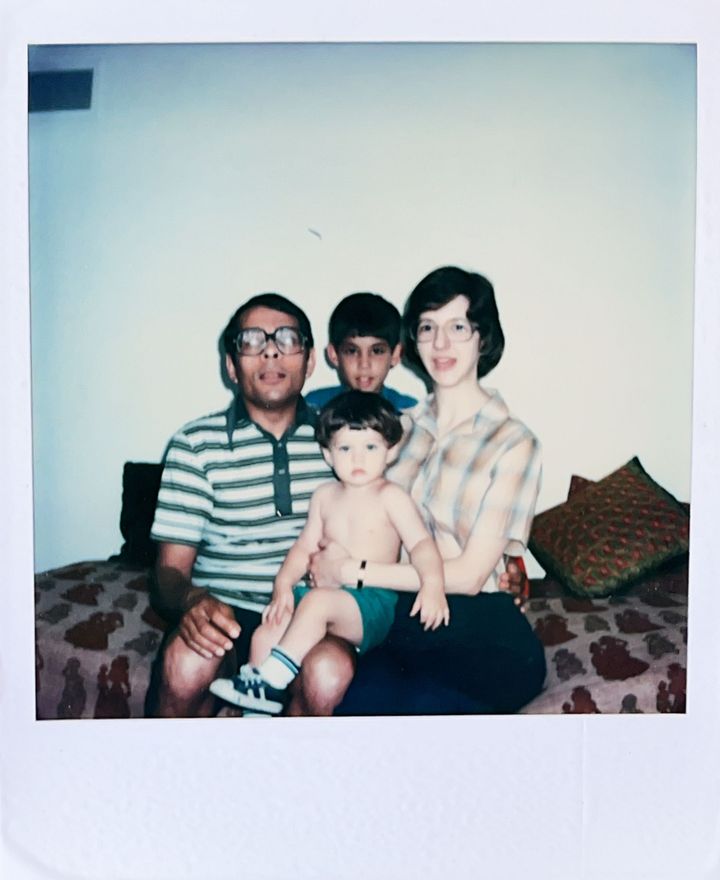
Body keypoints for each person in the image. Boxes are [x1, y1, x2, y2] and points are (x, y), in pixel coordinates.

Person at [306, 266, 547, 715]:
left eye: (458, 327)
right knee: (356, 707)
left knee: (421, 715)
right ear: (413, 341)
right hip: (404, 624)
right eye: (427, 328)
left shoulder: (514, 443)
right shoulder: (398, 434)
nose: (441, 344)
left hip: (481, 630)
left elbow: (471, 576)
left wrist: (351, 571)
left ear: (483, 337)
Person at [145, 293, 349, 717]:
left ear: (309, 362)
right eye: (252, 340)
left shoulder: (345, 442)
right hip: (226, 609)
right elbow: (169, 572)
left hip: (311, 614)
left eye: (288, 339)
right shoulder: (195, 445)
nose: (271, 350)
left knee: (327, 677)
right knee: (185, 664)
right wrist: (192, 602)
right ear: (231, 365)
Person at [209, 391, 448, 715]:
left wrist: (432, 585)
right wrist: (282, 587)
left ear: (390, 452)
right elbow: (305, 547)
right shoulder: (324, 496)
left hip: (370, 605)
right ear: (327, 454)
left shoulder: (391, 496)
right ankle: (256, 711)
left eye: (371, 447)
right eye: (345, 448)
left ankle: (270, 680)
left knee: (316, 603)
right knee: (267, 633)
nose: (358, 459)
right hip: (318, 595)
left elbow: (422, 545)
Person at [305, 292, 417, 410]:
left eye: (377, 351)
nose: (364, 364)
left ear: (395, 354)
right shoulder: (315, 407)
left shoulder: (408, 412)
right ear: (334, 355)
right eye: (352, 351)